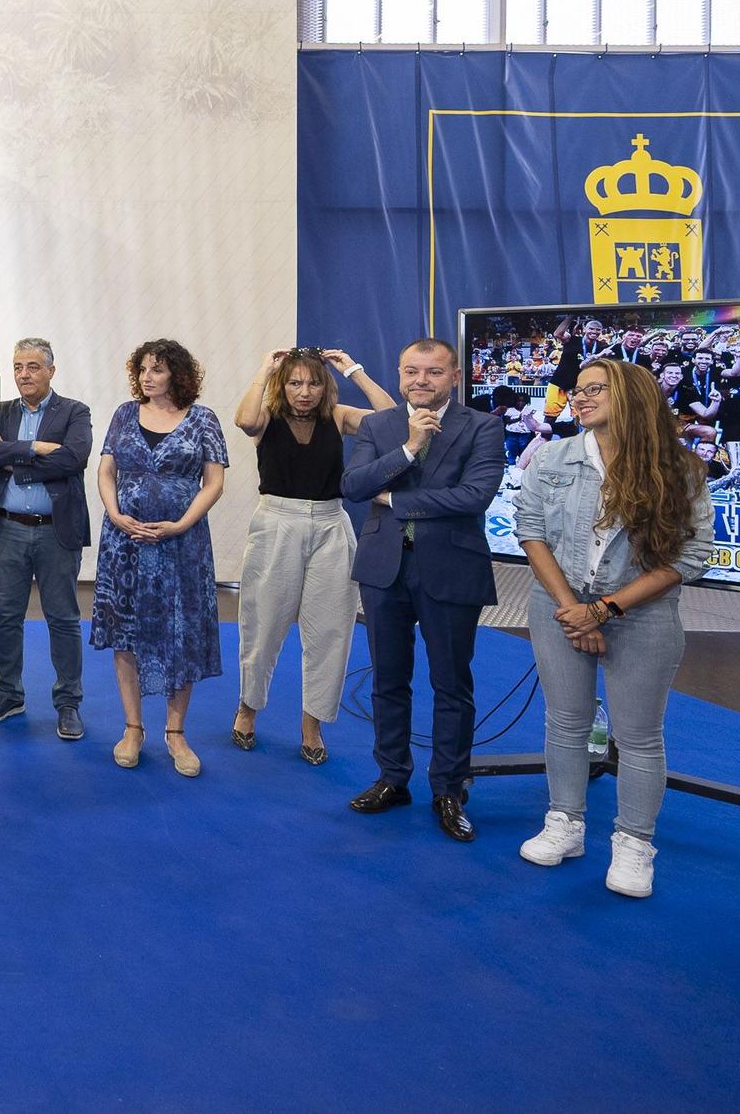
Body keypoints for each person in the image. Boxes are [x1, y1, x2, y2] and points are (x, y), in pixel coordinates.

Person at [512, 358, 713, 897]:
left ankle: (634, 843)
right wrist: (573, 610)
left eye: (593, 389)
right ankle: (566, 823)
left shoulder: (681, 469)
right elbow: (529, 531)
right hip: (557, 608)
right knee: (566, 723)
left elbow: (690, 558)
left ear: (631, 396)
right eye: (576, 391)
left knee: (639, 738)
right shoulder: (552, 456)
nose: (578, 398)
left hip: (641, 616)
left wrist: (604, 610)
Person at [341, 338, 505, 841]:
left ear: (454, 376)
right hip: (383, 567)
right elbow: (354, 485)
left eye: (433, 373)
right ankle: (393, 778)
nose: (421, 381)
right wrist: (409, 449)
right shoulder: (379, 425)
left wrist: (397, 498)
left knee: (451, 684)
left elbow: (475, 496)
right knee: (387, 680)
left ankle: (449, 789)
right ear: (399, 374)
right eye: (412, 371)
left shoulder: (483, 425)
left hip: (452, 568)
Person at [230, 346, 394, 764]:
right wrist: (266, 367)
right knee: (262, 625)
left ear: (326, 387)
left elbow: (392, 419)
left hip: (330, 525)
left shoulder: (337, 418)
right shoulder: (266, 417)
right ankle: (248, 708)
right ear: (282, 386)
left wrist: (353, 369)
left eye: (314, 382)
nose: (305, 391)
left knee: (330, 631)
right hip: (276, 523)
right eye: (296, 382)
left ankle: (312, 722)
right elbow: (244, 419)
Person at [92, 339, 228, 776]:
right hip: (124, 544)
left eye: (157, 370)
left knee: (181, 631)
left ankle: (175, 732)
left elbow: (213, 483)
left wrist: (181, 524)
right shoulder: (124, 414)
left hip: (181, 546)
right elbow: (106, 469)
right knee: (125, 632)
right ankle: (133, 728)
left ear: (178, 375)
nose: (147, 377)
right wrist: (115, 514)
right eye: (143, 370)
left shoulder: (203, 419)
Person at [0, 338, 93, 739]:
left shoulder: (75, 411)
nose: (24, 374)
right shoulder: (0, 411)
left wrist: (14, 457)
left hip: (55, 531)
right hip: (8, 528)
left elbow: (74, 458)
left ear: (51, 371)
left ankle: (68, 703)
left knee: (62, 618)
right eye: (18, 366)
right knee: (6, 617)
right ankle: (9, 694)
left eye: (33, 367)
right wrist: (35, 448)